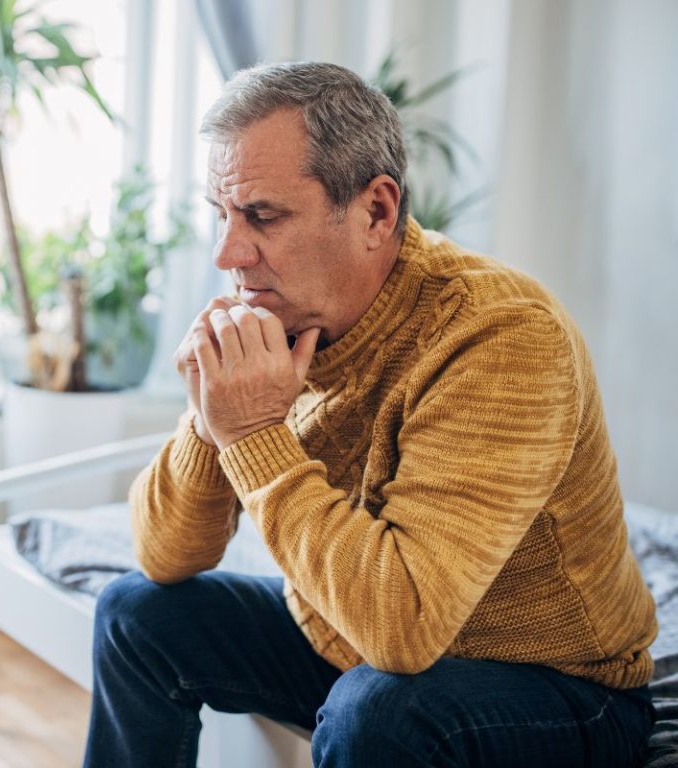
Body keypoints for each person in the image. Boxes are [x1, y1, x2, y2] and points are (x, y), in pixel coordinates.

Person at [82, 61, 658, 767]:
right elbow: (166, 556)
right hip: (353, 637)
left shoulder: (503, 335)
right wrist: (213, 418)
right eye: (222, 215)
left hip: (559, 687)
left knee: (377, 713)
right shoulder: (287, 315)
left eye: (262, 215)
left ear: (376, 213)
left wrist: (257, 434)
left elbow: (405, 629)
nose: (228, 253)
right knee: (135, 614)